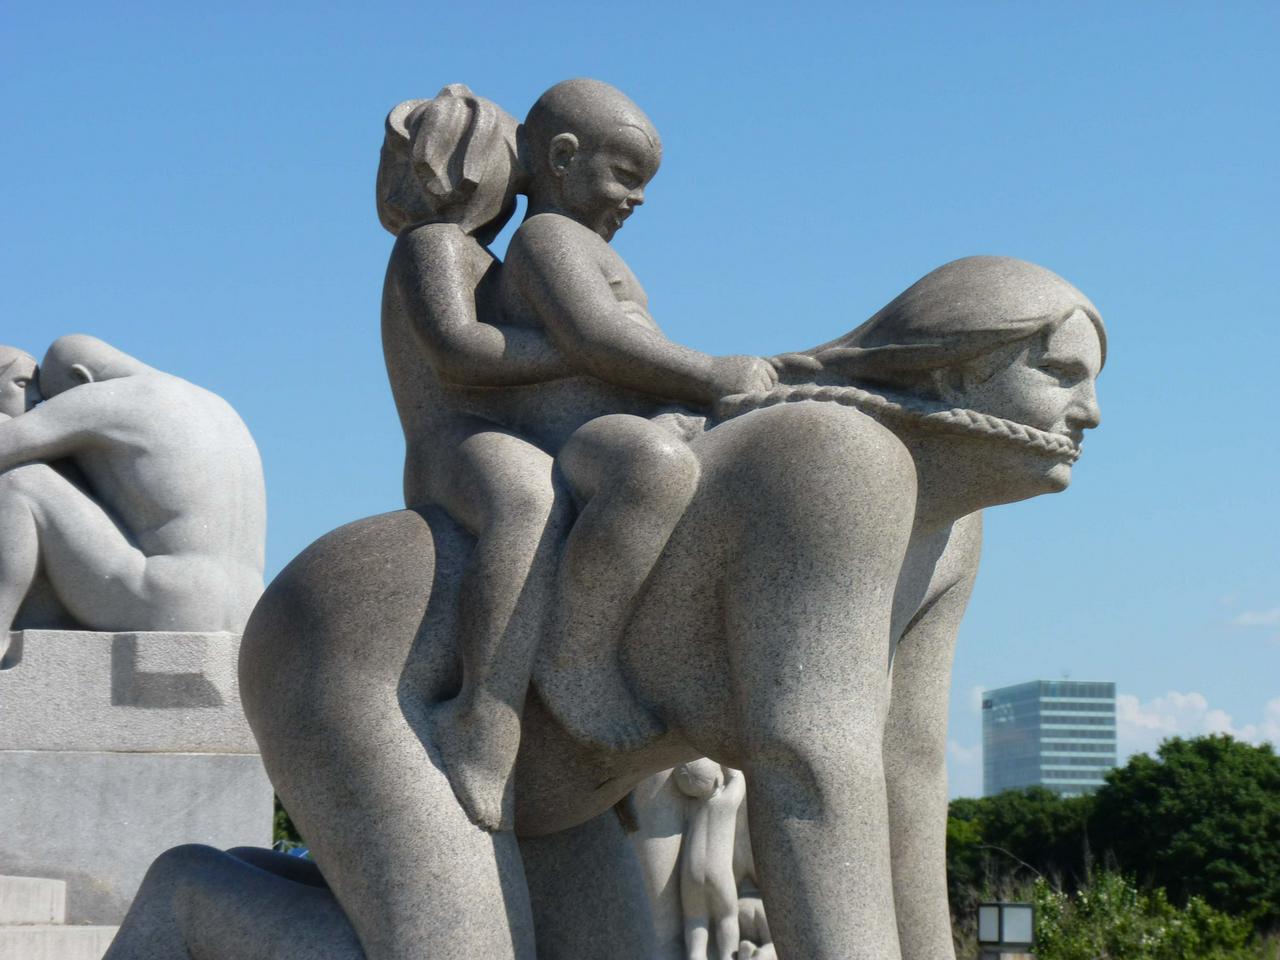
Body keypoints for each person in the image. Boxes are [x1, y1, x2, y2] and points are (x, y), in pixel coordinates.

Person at [381, 82, 776, 830]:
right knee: (527, 499)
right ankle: (483, 710)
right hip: (452, 441)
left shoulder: (506, 262)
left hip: (512, 429)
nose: (637, 200)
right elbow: (460, 353)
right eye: (626, 178)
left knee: (651, 470)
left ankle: (603, 668)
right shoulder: (434, 246)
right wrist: (588, 351)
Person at [501, 78, 777, 753]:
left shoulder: (593, 249)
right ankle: (576, 657)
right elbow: (596, 339)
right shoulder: (547, 237)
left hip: (620, 419)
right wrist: (711, 374)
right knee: (649, 466)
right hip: (570, 439)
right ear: (563, 158)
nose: (639, 197)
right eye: (624, 176)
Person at [0, 335, 266, 636]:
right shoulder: (219, 407)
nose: (43, 406)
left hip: (165, 602)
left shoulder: (106, 396)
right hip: (248, 614)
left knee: (21, 481)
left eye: (53, 398)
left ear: (80, 377)